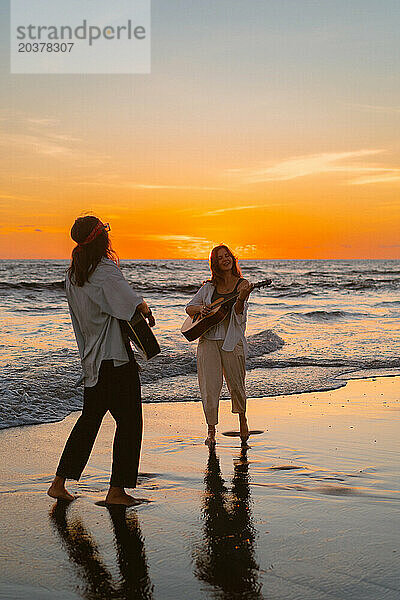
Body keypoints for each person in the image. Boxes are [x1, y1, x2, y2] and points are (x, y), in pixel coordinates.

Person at [47, 216, 155, 506]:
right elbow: (129, 304)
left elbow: (79, 322)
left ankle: (59, 483)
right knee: (130, 422)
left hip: (93, 360)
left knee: (90, 420)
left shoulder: (73, 276)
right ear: (101, 238)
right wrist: (144, 306)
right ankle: (116, 491)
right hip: (115, 359)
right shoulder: (105, 270)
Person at [186, 245, 254, 446]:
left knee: (237, 384)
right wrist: (202, 308)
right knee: (209, 386)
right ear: (214, 264)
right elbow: (189, 308)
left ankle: (243, 420)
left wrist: (241, 297)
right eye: (220, 257)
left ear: (232, 259)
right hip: (208, 341)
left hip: (231, 340)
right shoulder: (208, 287)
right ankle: (211, 430)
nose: (225, 259)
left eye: (227, 256)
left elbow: (239, 312)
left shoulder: (243, 284)